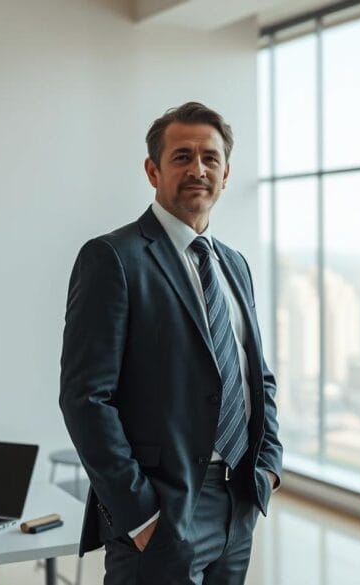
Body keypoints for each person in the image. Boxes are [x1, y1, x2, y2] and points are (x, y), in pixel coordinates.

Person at [59, 101, 283, 585]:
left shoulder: (234, 264)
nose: (197, 169)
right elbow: (85, 398)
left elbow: (257, 376)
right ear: (152, 170)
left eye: (210, 158)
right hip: (163, 510)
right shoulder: (113, 258)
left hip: (239, 502)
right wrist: (140, 515)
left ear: (226, 174)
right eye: (182, 156)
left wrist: (268, 466)